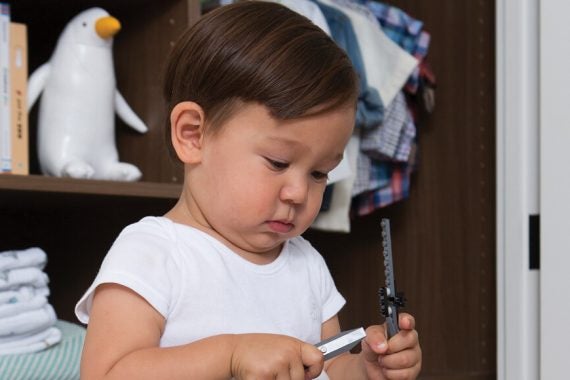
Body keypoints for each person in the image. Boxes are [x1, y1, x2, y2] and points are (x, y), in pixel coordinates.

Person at [74, 2, 421, 379]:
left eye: (320, 173)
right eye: (277, 162)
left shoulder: (306, 264)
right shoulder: (152, 253)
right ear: (193, 135)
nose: (298, 193)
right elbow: (107, 373)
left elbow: (326, 368)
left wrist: (367, 369)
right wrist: (230, 355)